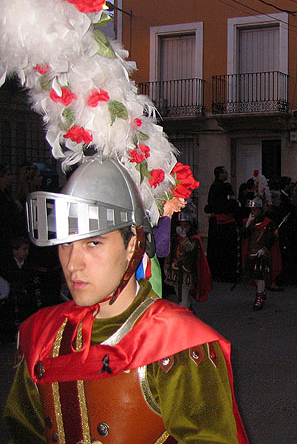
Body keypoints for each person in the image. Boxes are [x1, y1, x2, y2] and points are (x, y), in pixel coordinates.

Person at [3, 157, 248, 443]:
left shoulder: (177, 343)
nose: (72, 264)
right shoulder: (39, 335)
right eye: (66, 243)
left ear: (132, 243)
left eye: (93, 243)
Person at [164, 210, 212, 308]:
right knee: (179, 296)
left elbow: (190, 248)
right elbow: (170, 252)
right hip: (174, 272)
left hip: (187, 273)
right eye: (181, 225)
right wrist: (166, 265)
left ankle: (185, 315)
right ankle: (189, 310)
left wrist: (184, 237)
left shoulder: (194, 239)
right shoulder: (174, 238)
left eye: (186, 225)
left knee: (183, 298)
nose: (183, 228)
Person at [241, 194, 281, 310]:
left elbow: (271, 238)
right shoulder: (251, 222)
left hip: (262, 254)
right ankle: (261, 292)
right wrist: (248, 224)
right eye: (252, 209)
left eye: (255, 209)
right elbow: (244, 235)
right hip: (251, 253)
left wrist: (264, 250)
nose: (253, 211)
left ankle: (259, 296)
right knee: (254, 276)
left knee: (260, 275)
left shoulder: (268, 223)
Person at [205, 166, 241, 283]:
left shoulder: (215, 186)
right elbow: (227, 204)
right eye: (225, 172)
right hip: (223, 223)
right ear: (220, 174)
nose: (227, 174)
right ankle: (224, 273)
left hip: (217, 223)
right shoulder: (223, 187)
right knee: (224, 249)